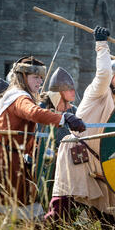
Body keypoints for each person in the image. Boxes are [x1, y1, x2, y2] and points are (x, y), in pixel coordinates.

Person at [0, 56, 85, 227]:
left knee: (28, 217)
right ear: (23, 76)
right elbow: (34, 113)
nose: (40, 81)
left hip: (15, 164)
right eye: (35, 77)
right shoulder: (19, 97)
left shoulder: (22, 96)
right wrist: (64, 118)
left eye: (41, 78)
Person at [44, 26, 115, 230]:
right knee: (61, 212)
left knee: (112, 216)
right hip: (78, 154)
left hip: (99, 160)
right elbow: (103, 72)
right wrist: (101, 45)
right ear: (110, 77)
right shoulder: (97, 92)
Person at [36, 67, 79, 207]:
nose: (73, 92)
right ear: (58, 93)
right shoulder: (41, 109)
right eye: (69, 89)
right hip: (44, 164)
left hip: (67, 164)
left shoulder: (73, 111)